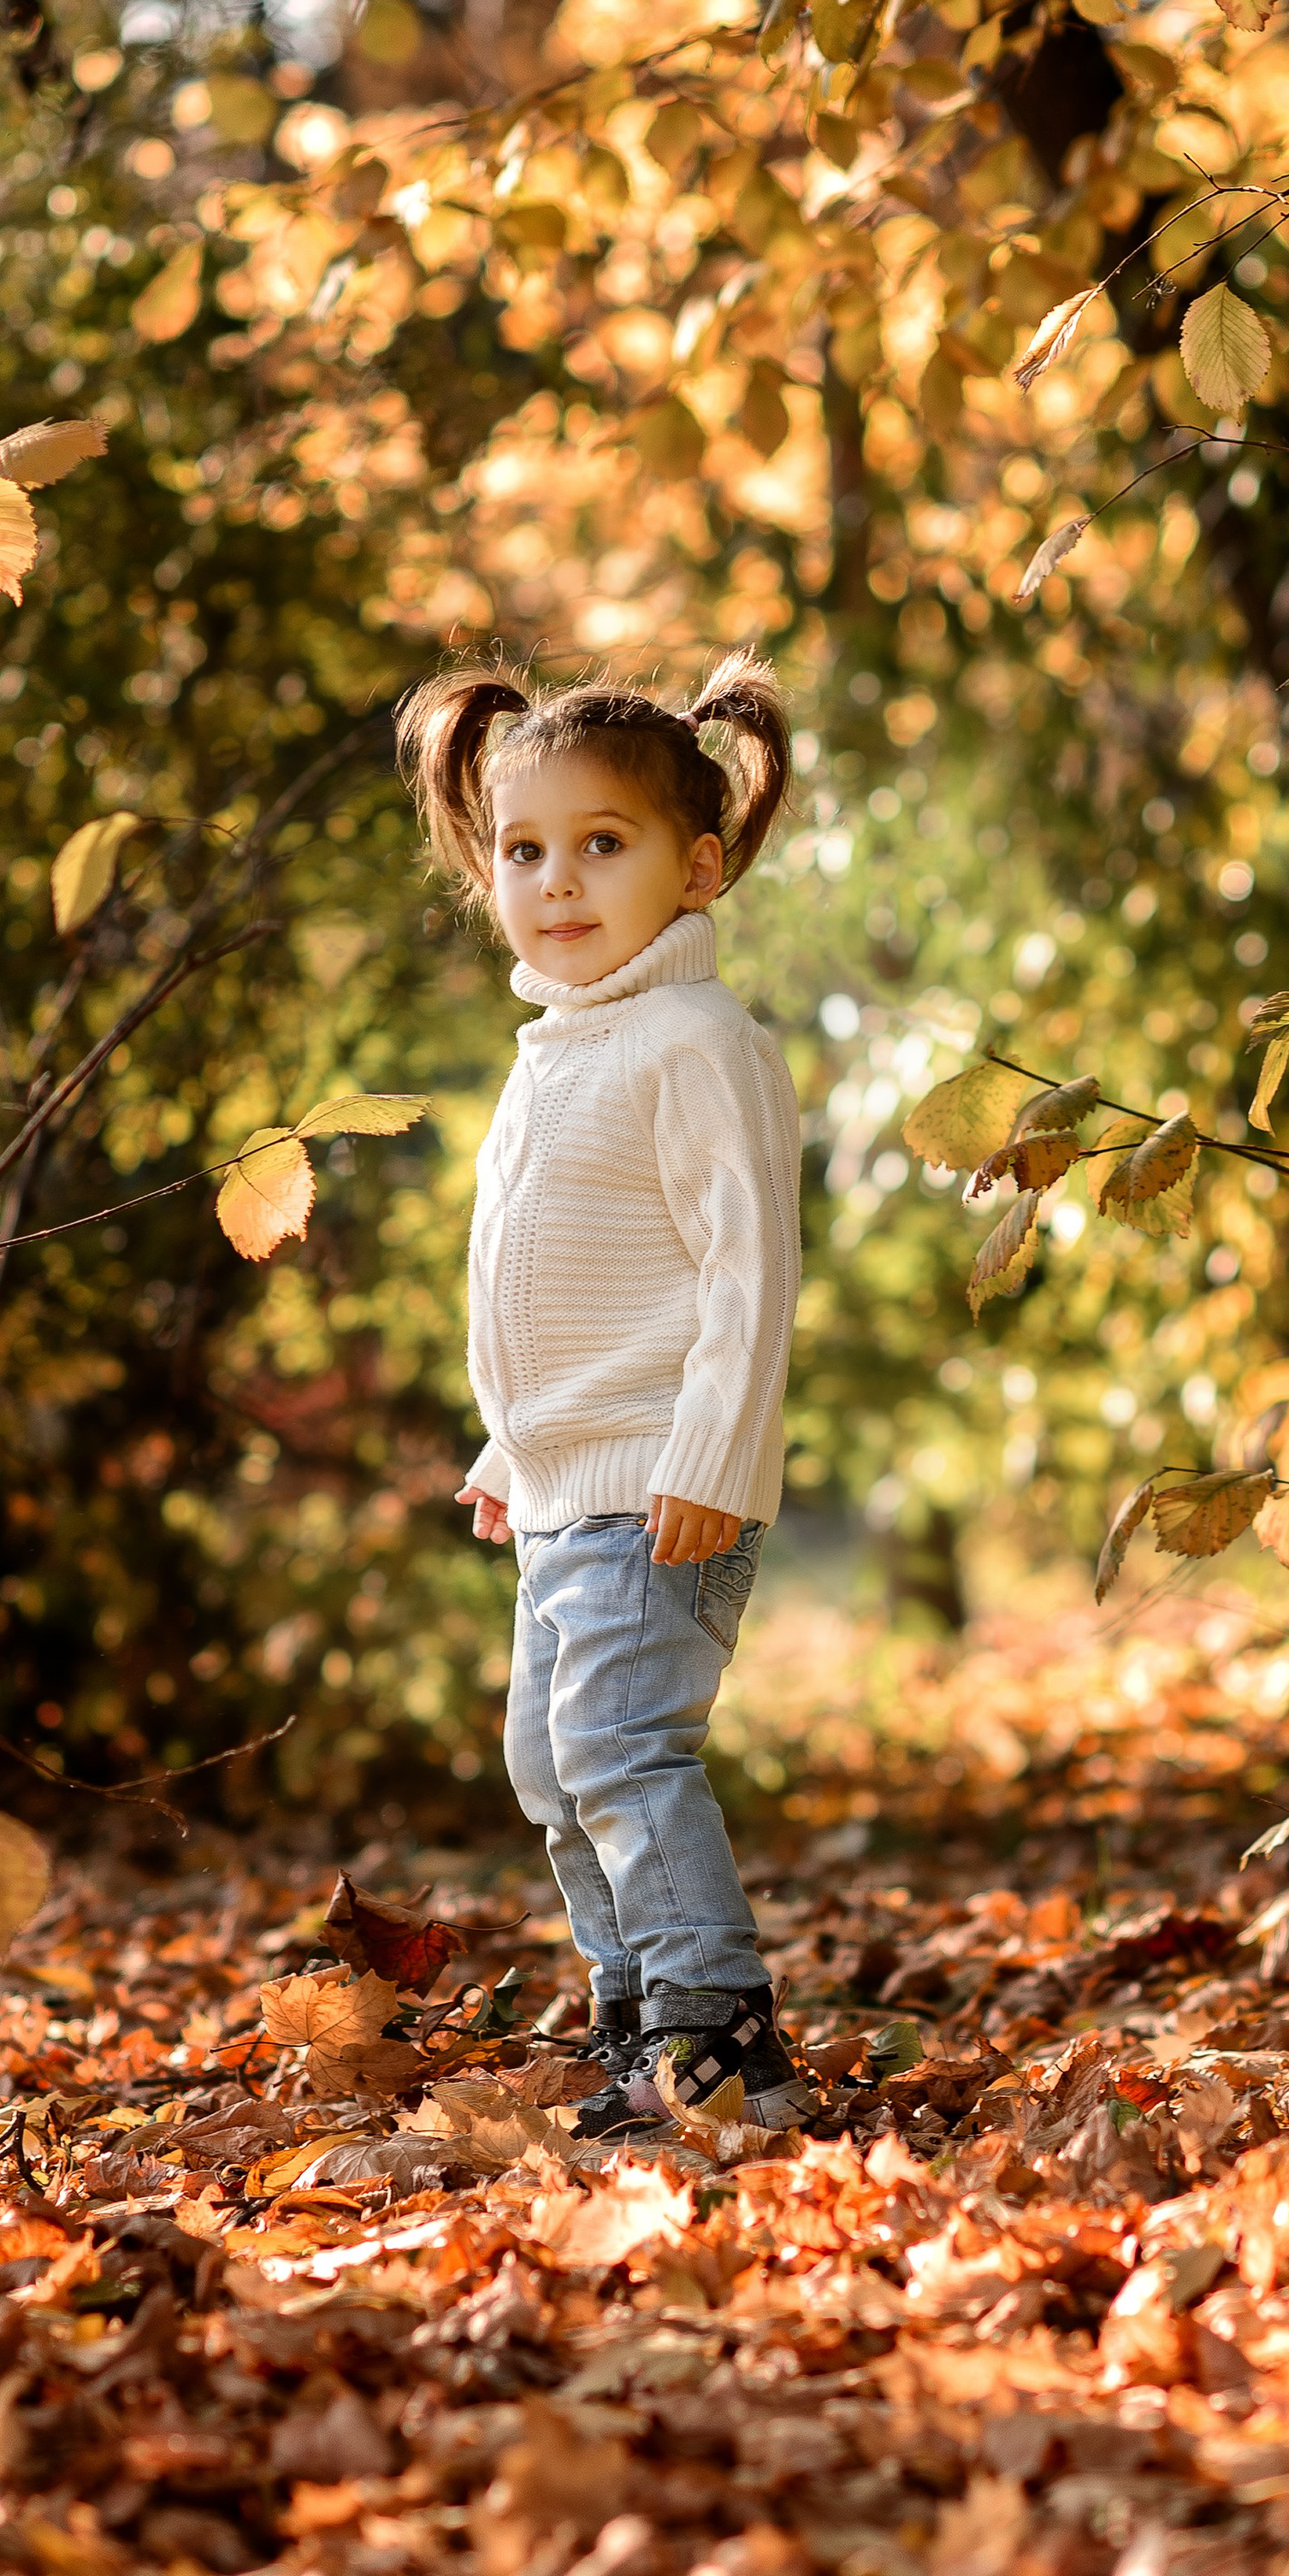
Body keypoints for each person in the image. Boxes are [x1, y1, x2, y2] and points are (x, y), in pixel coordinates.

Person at [396, 655, 807, 2138]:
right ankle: (635, 2008)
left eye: (602, 845)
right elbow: (555, 1291)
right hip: (573, 1487)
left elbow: (746, 1274)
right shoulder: (561, 1051)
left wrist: (711, 1454)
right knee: (552, 1766)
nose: (557, 882)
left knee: (627, 1753)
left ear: (696, 866)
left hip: (663, 1490)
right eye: (525, 851)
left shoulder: (697, 1043)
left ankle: (718, 2037)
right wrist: (515, 1443)